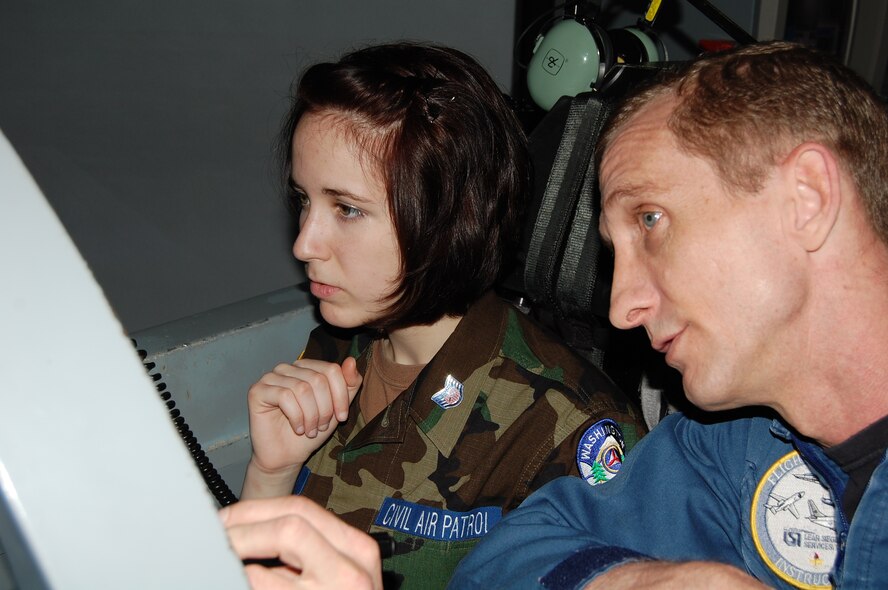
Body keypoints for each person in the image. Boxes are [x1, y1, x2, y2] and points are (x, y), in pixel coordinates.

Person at [449, 41, 888, 589]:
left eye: (650, 219)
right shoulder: (734, 443)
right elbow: (500, 561)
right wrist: (637, 581)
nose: (621, 309)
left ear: (808, 197)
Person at [238, 42, 646, 589]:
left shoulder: (563, 431)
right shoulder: (334, 351)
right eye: (304, 201)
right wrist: (271, 474)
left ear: (452, 218)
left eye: (348, 209)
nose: (304, 244)